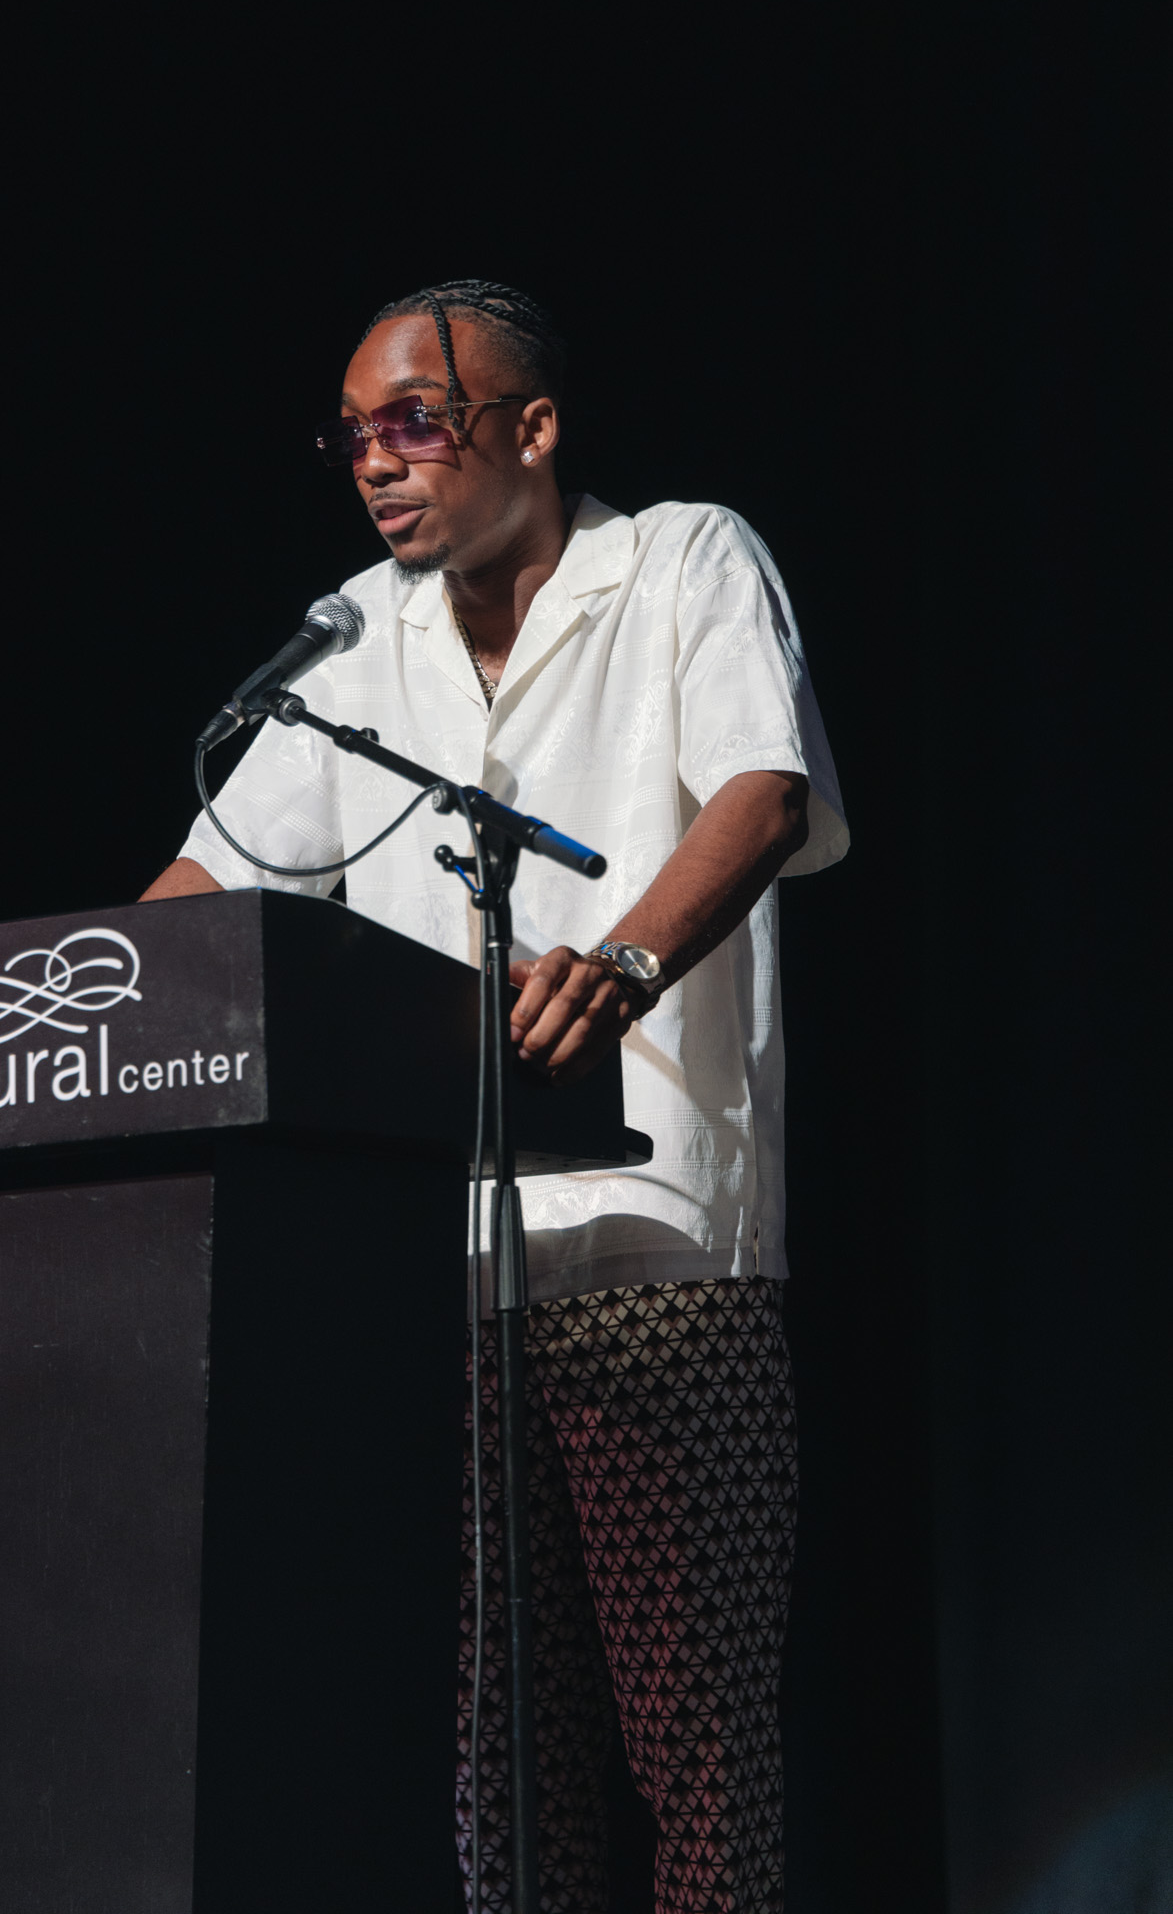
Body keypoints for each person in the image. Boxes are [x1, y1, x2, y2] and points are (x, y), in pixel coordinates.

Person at [142, 280, 848, 1914]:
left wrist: (625, 959)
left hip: (655, 1257)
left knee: (696, 1760)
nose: (375, 464)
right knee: (500, 1778)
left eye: (412, 421)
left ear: (530, 428)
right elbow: (207, 891)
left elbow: (763, 790)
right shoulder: (355, 639)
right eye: (350, 439)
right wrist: (81, 1001)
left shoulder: (679, 560)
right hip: (433, 1283)